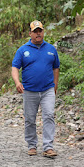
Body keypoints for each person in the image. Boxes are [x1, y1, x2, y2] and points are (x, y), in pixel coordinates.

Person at [11, 20, 60, 158]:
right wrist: (17, 82)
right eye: (35, 31)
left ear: (43, 32)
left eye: (40, 31)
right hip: (30, 90)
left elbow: (56, 67)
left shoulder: (51, 49)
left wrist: (55, 83)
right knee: (30, 119)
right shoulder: (23, 50)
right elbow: (15, 67)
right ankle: (32, 145)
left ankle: (48, 147)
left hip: (47, 89)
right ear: (30, 33)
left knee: (49, 115)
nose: (38, 34)